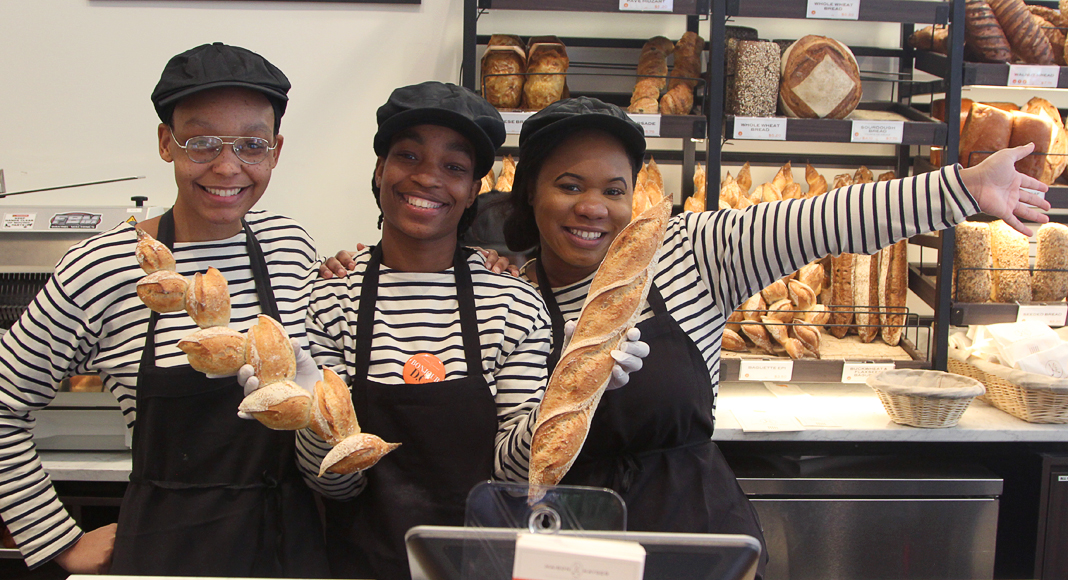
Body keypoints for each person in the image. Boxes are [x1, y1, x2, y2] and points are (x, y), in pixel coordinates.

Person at [501, 98, 1047, 577]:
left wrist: (962, 187)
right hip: (570, 551)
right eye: (569, 185)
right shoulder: (511, 299)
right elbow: (511, 468)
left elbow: (822, 219)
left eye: (613, 189)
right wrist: (577, 390)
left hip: (698, 540)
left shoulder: (690, 253)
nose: (593, 207)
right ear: (529, 193)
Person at [0, 43, 329, 576]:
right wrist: (59, 541)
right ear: (165, 143)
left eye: (252, 144)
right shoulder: (104, 266)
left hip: (290, 548)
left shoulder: (290, 247)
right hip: (166, 552)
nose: (228, 166)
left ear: (276, 150)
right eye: (202, 142)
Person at [286, 81, 551, 580]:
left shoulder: (512, 303)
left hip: (485, 567)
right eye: (408, 156)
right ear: (380, 170)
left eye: (454, 167)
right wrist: (314, 420)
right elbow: (333, 485)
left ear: (473, 191)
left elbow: (517, 477)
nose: (428, 177)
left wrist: (567, 402)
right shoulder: (329, 300)